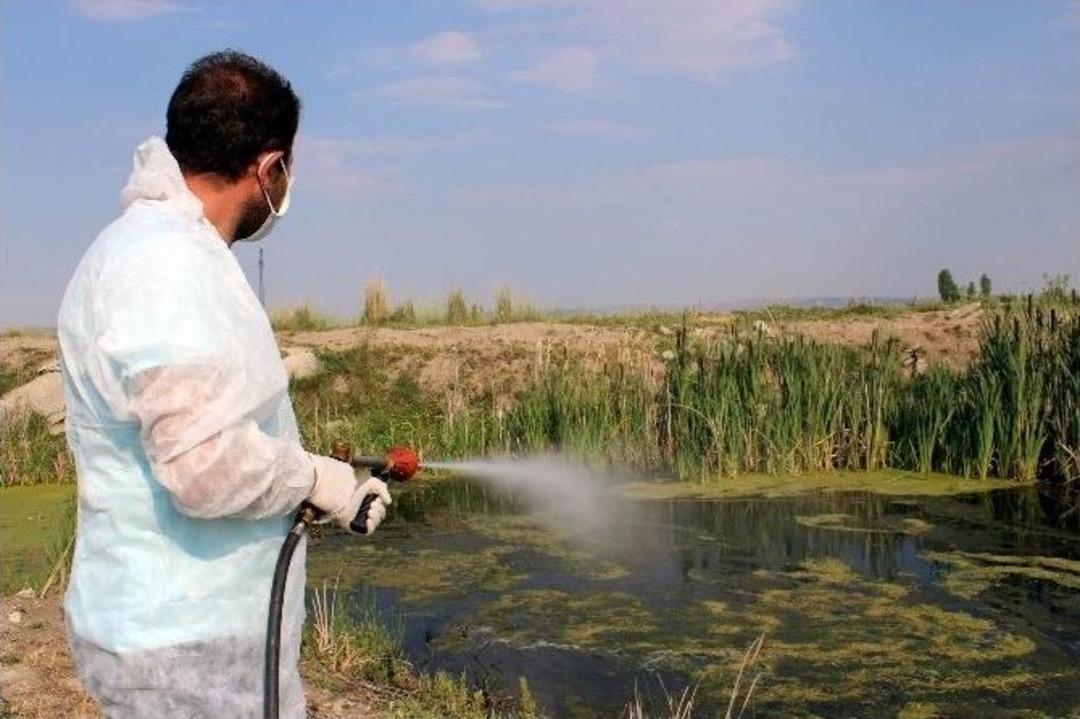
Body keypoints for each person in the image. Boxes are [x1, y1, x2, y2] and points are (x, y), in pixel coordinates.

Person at [57, 50, 389, 718]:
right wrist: (315, 479)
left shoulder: (146, 250)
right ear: (270, 168)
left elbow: (206, 428)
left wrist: (326, 486)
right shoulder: (168, 267)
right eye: (287, 169)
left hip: (168, 631)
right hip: (186, 646)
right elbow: (203, 465)